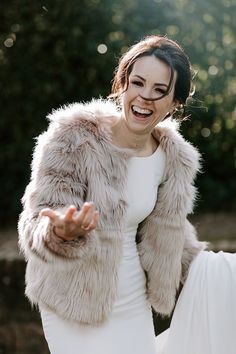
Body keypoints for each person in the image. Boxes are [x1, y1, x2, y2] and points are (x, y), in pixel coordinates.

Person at [18, 35, 206, 354]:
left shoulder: (174, 159)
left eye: (159, 90)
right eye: (138, 83)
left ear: (175, 103)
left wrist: (214, 267)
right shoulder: (73, 139)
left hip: (131, 300)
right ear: (123, 84)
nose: (145, 97)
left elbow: (170, 233)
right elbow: (35, 219)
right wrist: (59, 231)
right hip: (70, 300)